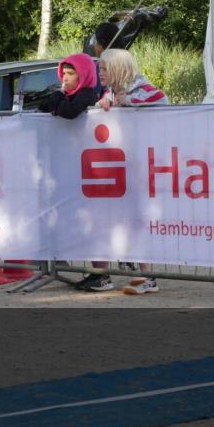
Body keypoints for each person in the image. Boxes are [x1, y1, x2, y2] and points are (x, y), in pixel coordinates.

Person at [76, 48, 170, 295]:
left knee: (134, 222)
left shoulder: (139, 86)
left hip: (137, 171)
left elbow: (161, 99)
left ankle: (147, 277)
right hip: (114, 169)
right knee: (103, 220)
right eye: (99, 69)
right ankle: (101, 275)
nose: (100, 73)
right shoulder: (111, 92)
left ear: (118, 68)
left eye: (104, 69)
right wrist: (102, 104)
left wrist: (126, 103)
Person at [38, 53, 97, 119]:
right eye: (64, 73)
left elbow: (70, 112)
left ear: (84, 75)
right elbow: (42, 107)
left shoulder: (88, 93)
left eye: (71, 73)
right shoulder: (68, 93)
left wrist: (56, 99)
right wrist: (54, 99)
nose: (65, 78)